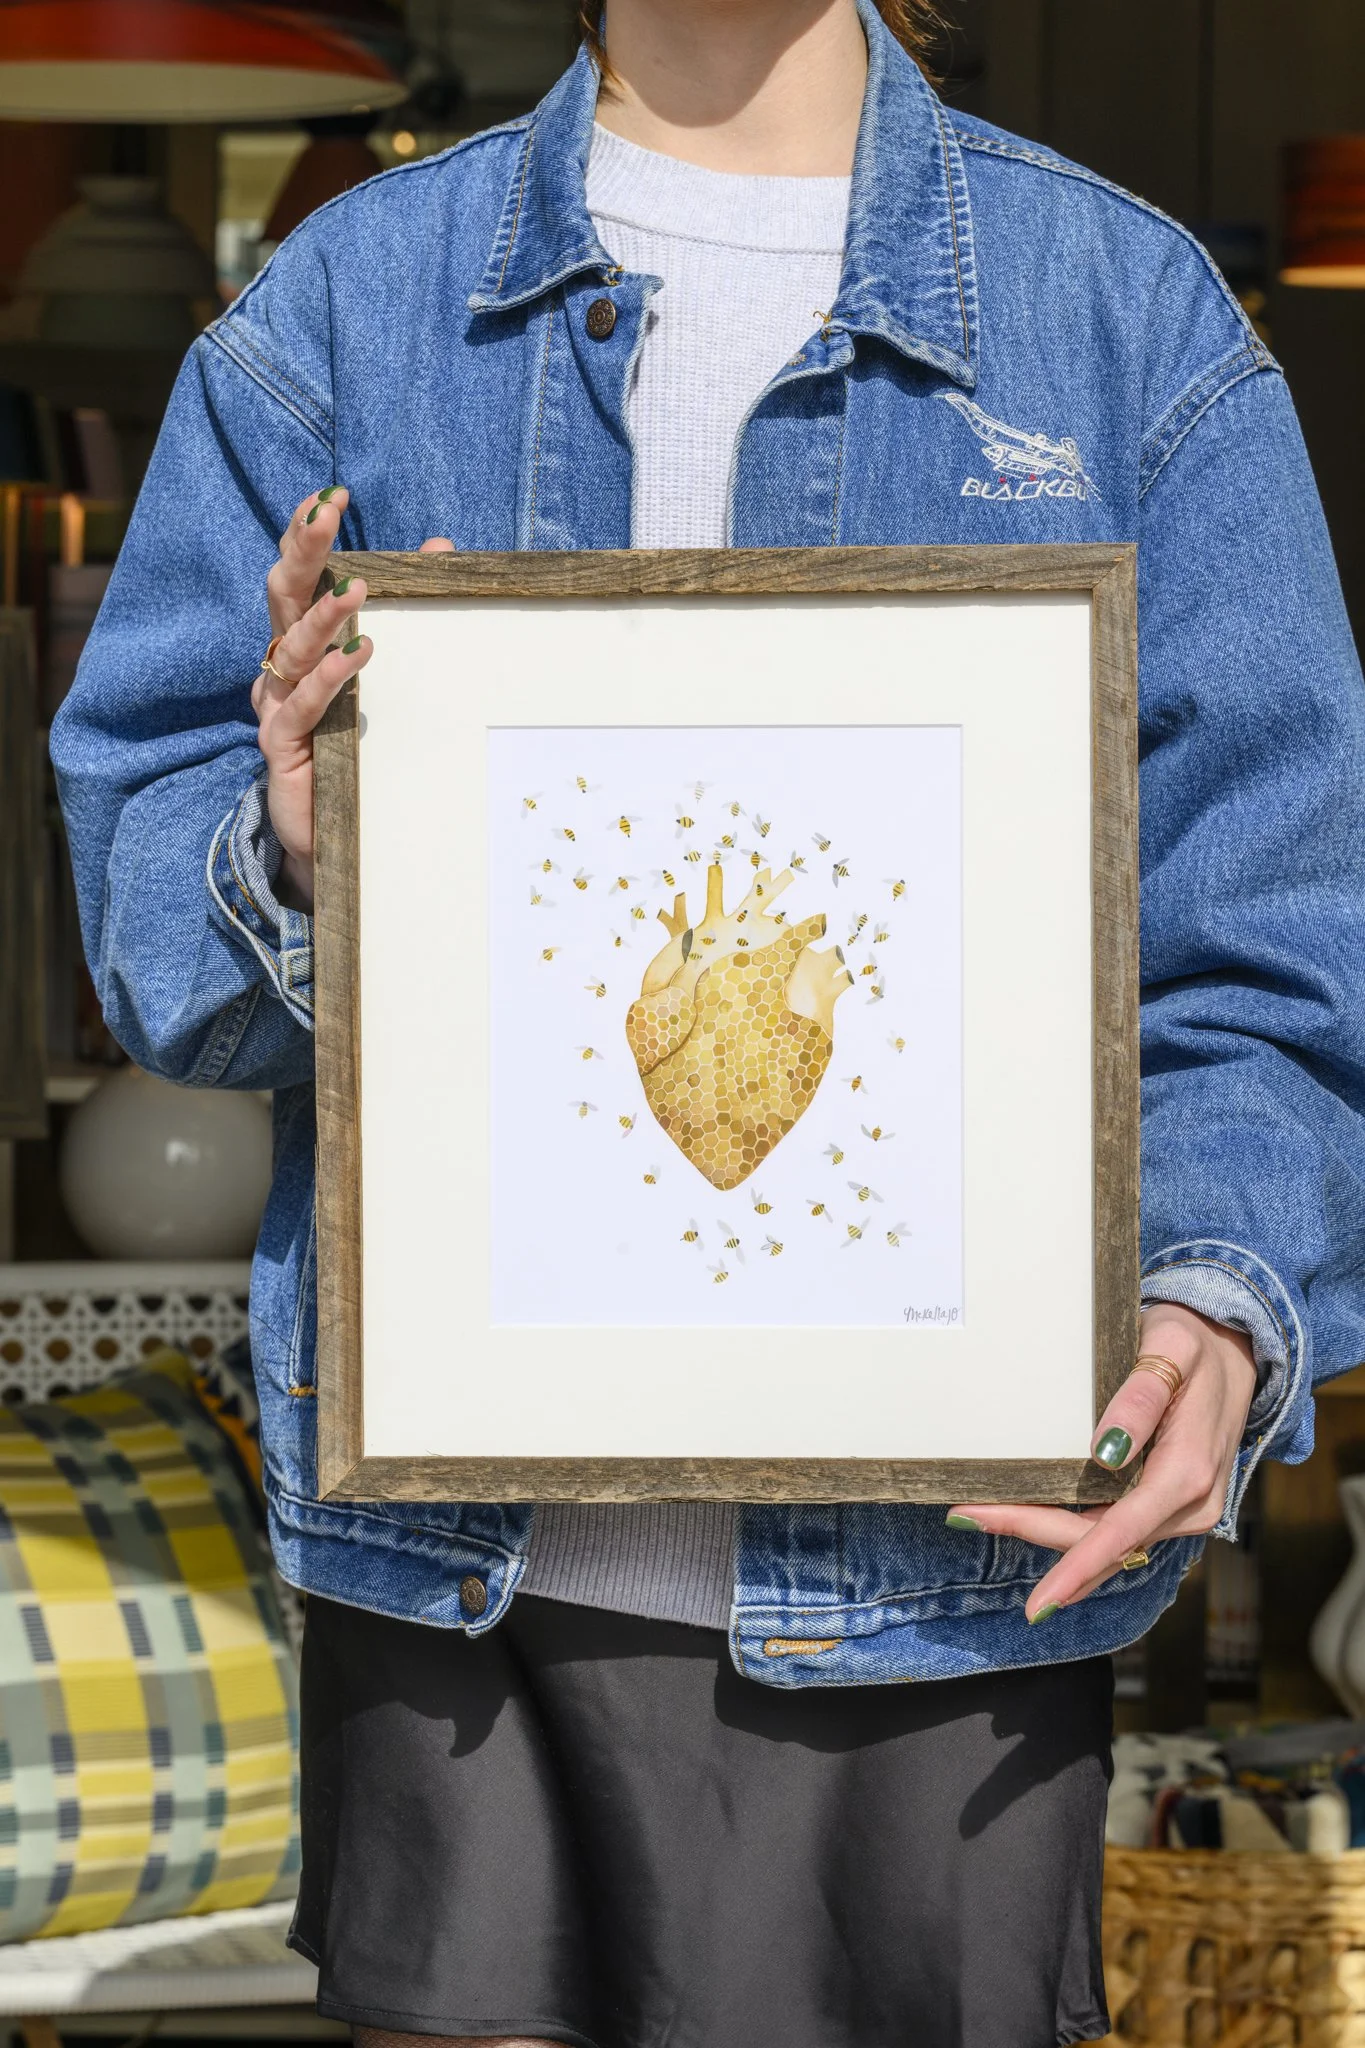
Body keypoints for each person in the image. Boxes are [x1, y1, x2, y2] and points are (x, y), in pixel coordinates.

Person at [51, 0, 1365, 2042]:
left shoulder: (1131, 325)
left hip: (948, 1597)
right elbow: (154, 942)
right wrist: (299, 858)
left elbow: (1268, 959)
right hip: (459, 1595)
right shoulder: (339, 312)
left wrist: (1211, 1306)